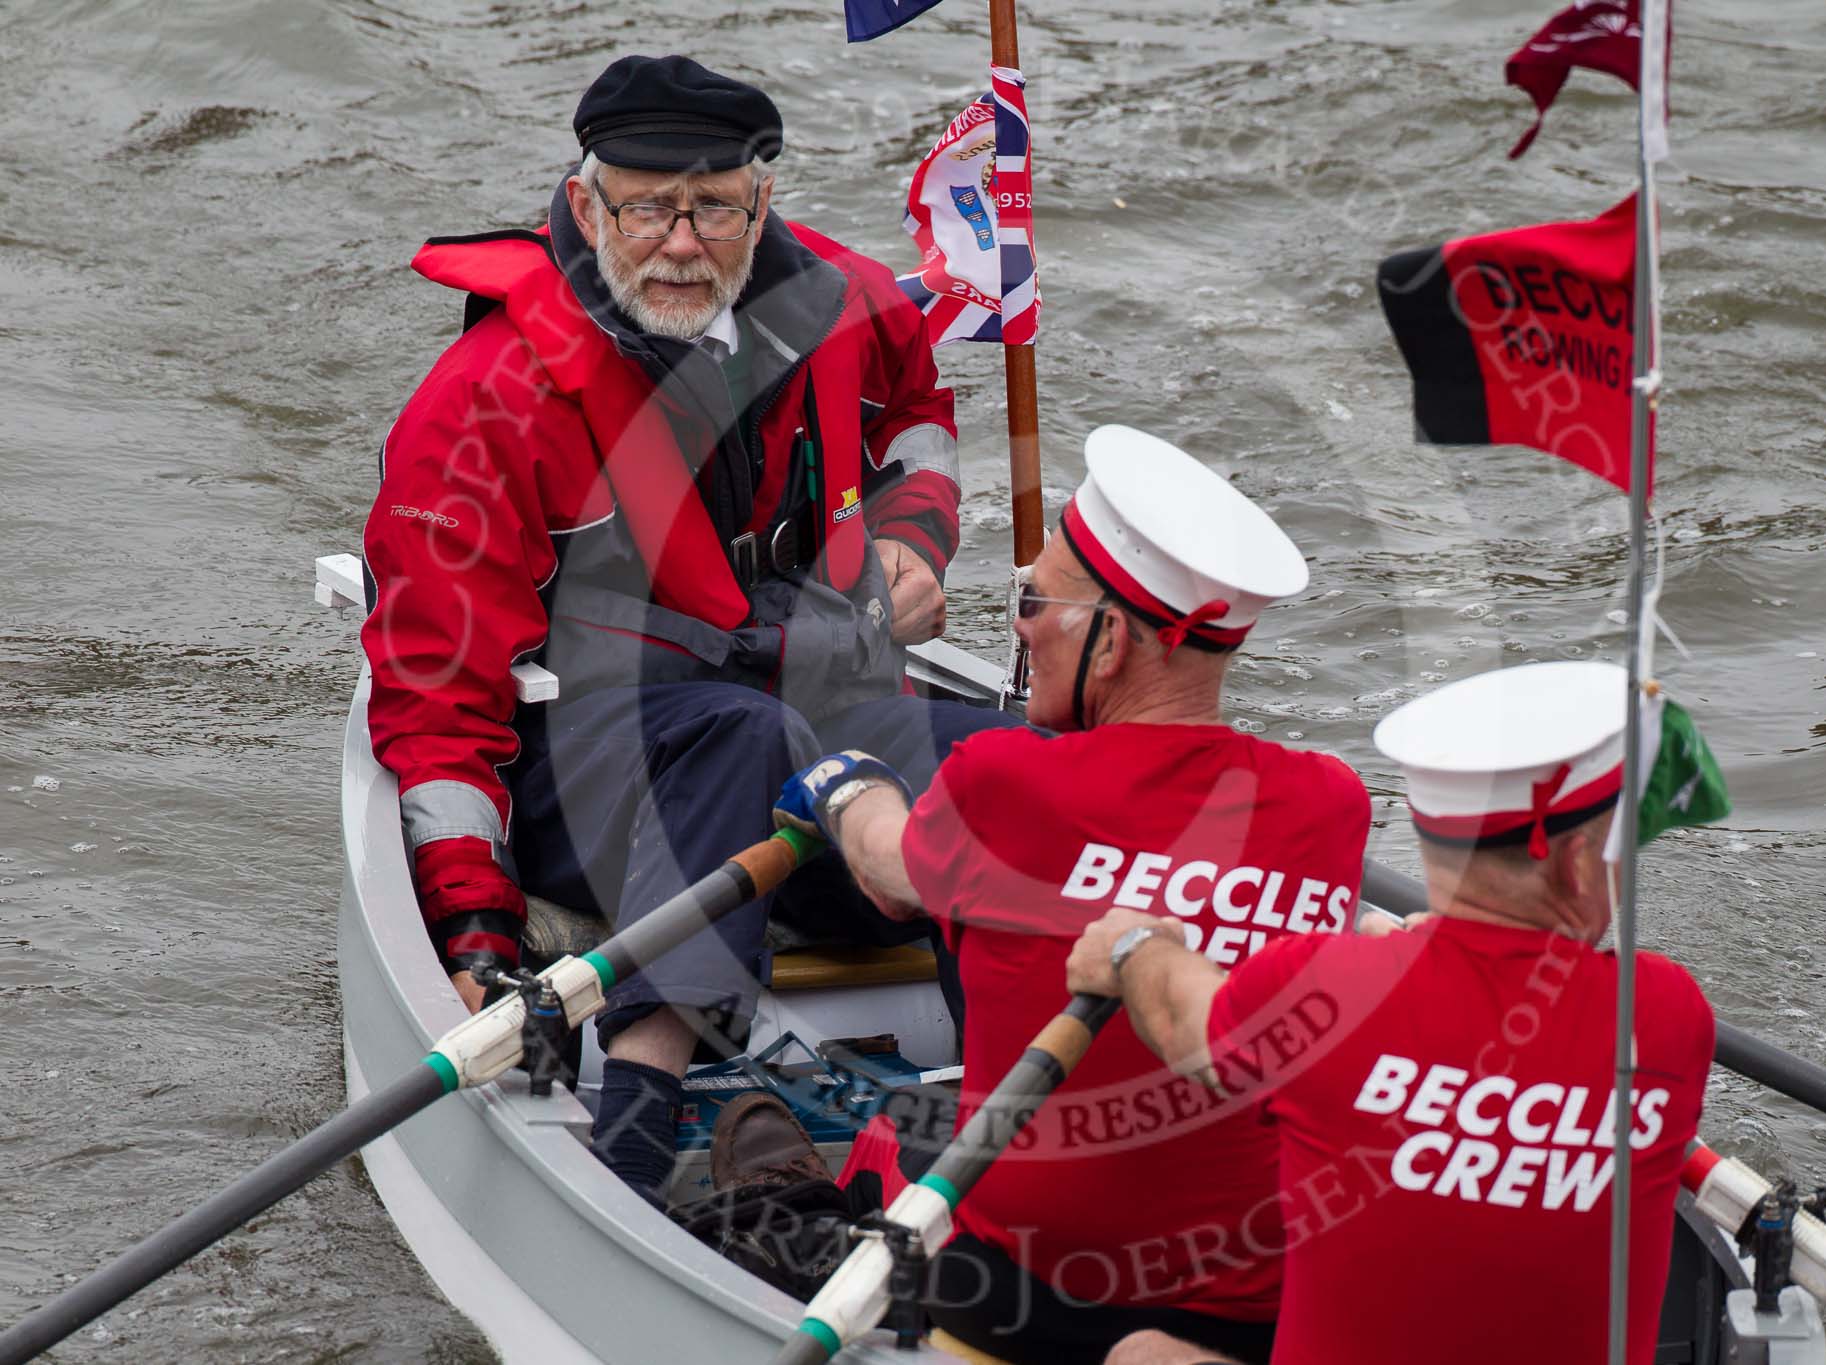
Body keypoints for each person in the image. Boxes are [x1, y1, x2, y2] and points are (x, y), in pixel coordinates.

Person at [360, 53, 1013, 1202]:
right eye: (646, 205)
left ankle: (1015, 1128)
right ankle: (638, 1130)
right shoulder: (481, 408)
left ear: (761, 205)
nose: (679, 239)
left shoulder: (845, 309)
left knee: (1007, 775)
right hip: (579, 769)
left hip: (803, 724)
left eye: (714, 206)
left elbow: (914, 411)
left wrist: (914, 537)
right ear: (583, 205)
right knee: (735, 736)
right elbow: (435, 700)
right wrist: (474, 933)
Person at [773, 425, 1375, 1364]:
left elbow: (891, 875)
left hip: (1024, 1302)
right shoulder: (1330, 803)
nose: (1016, 625)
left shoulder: (1005, 780)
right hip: (1255, 1312)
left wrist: (845, 784)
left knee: (892, 1129)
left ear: (1112, 642)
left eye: (1033, 601)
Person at [1064, 660, 1719, 1365]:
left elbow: (1177, 1018)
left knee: (1141, 1353)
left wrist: (1135, 943)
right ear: (1579, 864)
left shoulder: (1323, 988)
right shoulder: (1667, 1015)